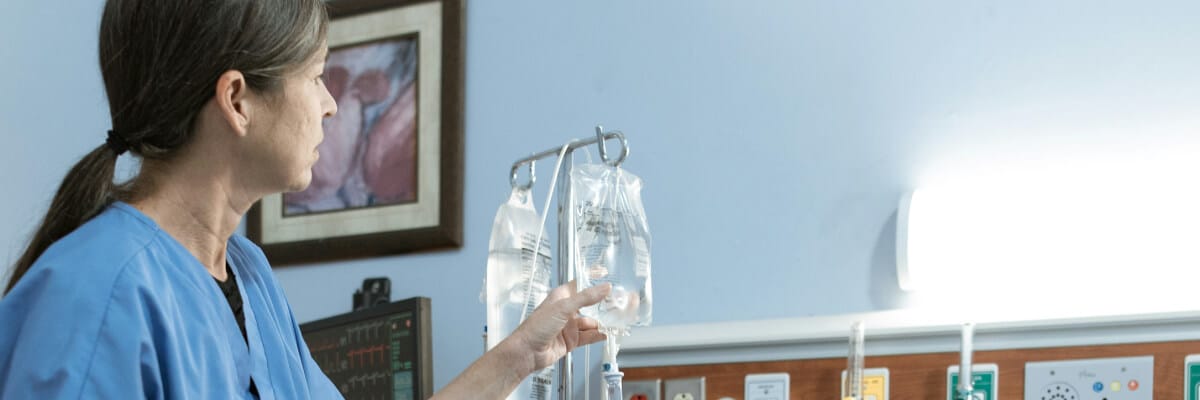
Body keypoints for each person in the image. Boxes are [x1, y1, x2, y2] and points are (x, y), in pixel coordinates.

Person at [0, 0, 611, 399]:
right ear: (237, 101)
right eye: (318, 76)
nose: (331, 104)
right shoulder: (94, 294)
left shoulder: (250, 277)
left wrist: (520, 356)